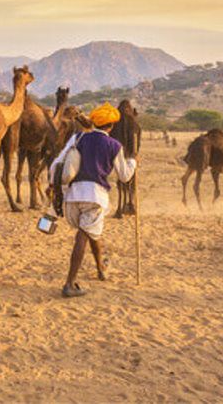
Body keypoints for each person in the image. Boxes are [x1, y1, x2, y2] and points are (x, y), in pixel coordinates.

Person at [50, 102, 137, 298]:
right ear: (111, 126)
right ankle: (69, 283)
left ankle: (101, 268)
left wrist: (54, 189)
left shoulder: (78, 138)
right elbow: (124, 176)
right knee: (83, 235)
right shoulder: (114, 145)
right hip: (95, 196)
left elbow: (58, 163)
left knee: (91, 232)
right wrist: (133, 162)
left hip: (73, 196)